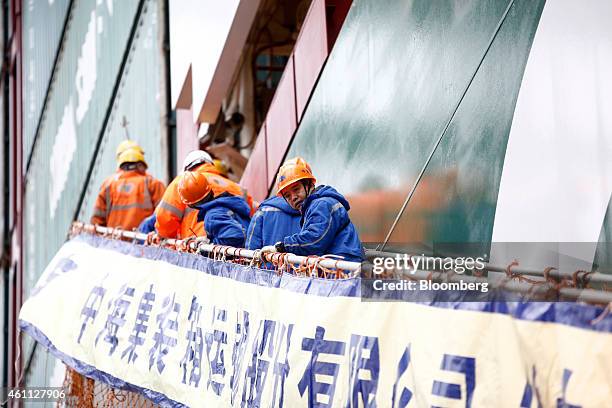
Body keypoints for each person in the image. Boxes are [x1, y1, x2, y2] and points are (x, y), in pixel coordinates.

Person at [261, 157, 364, 262]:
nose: (293, 197)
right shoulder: (314, 206)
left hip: (343, 266)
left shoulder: (322, 205)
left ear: (309, 184)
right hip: (339, 264)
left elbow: (314, 240)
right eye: (287, 196)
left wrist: (280, 248)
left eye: (296, 189)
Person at [154, 150, 256, 239]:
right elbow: (251, 217)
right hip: (236, 248)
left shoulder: (182, 183)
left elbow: (165, 220)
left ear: (187, 168)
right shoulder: (236, 187)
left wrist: (164, 237)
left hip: (196, 246)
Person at [91, 142, 165, 230]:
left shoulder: (107, 185)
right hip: (143, 241)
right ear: (141, 164)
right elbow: (163, 215)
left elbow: (97, 222)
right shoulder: (153, 183)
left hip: (113, 241)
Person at [178, 170, 251, 247]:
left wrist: (209, 245)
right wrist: (207, 239)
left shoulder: (212, 215)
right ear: (210, 191)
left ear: (190, 204)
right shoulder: (226, 204)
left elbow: (236, 237)